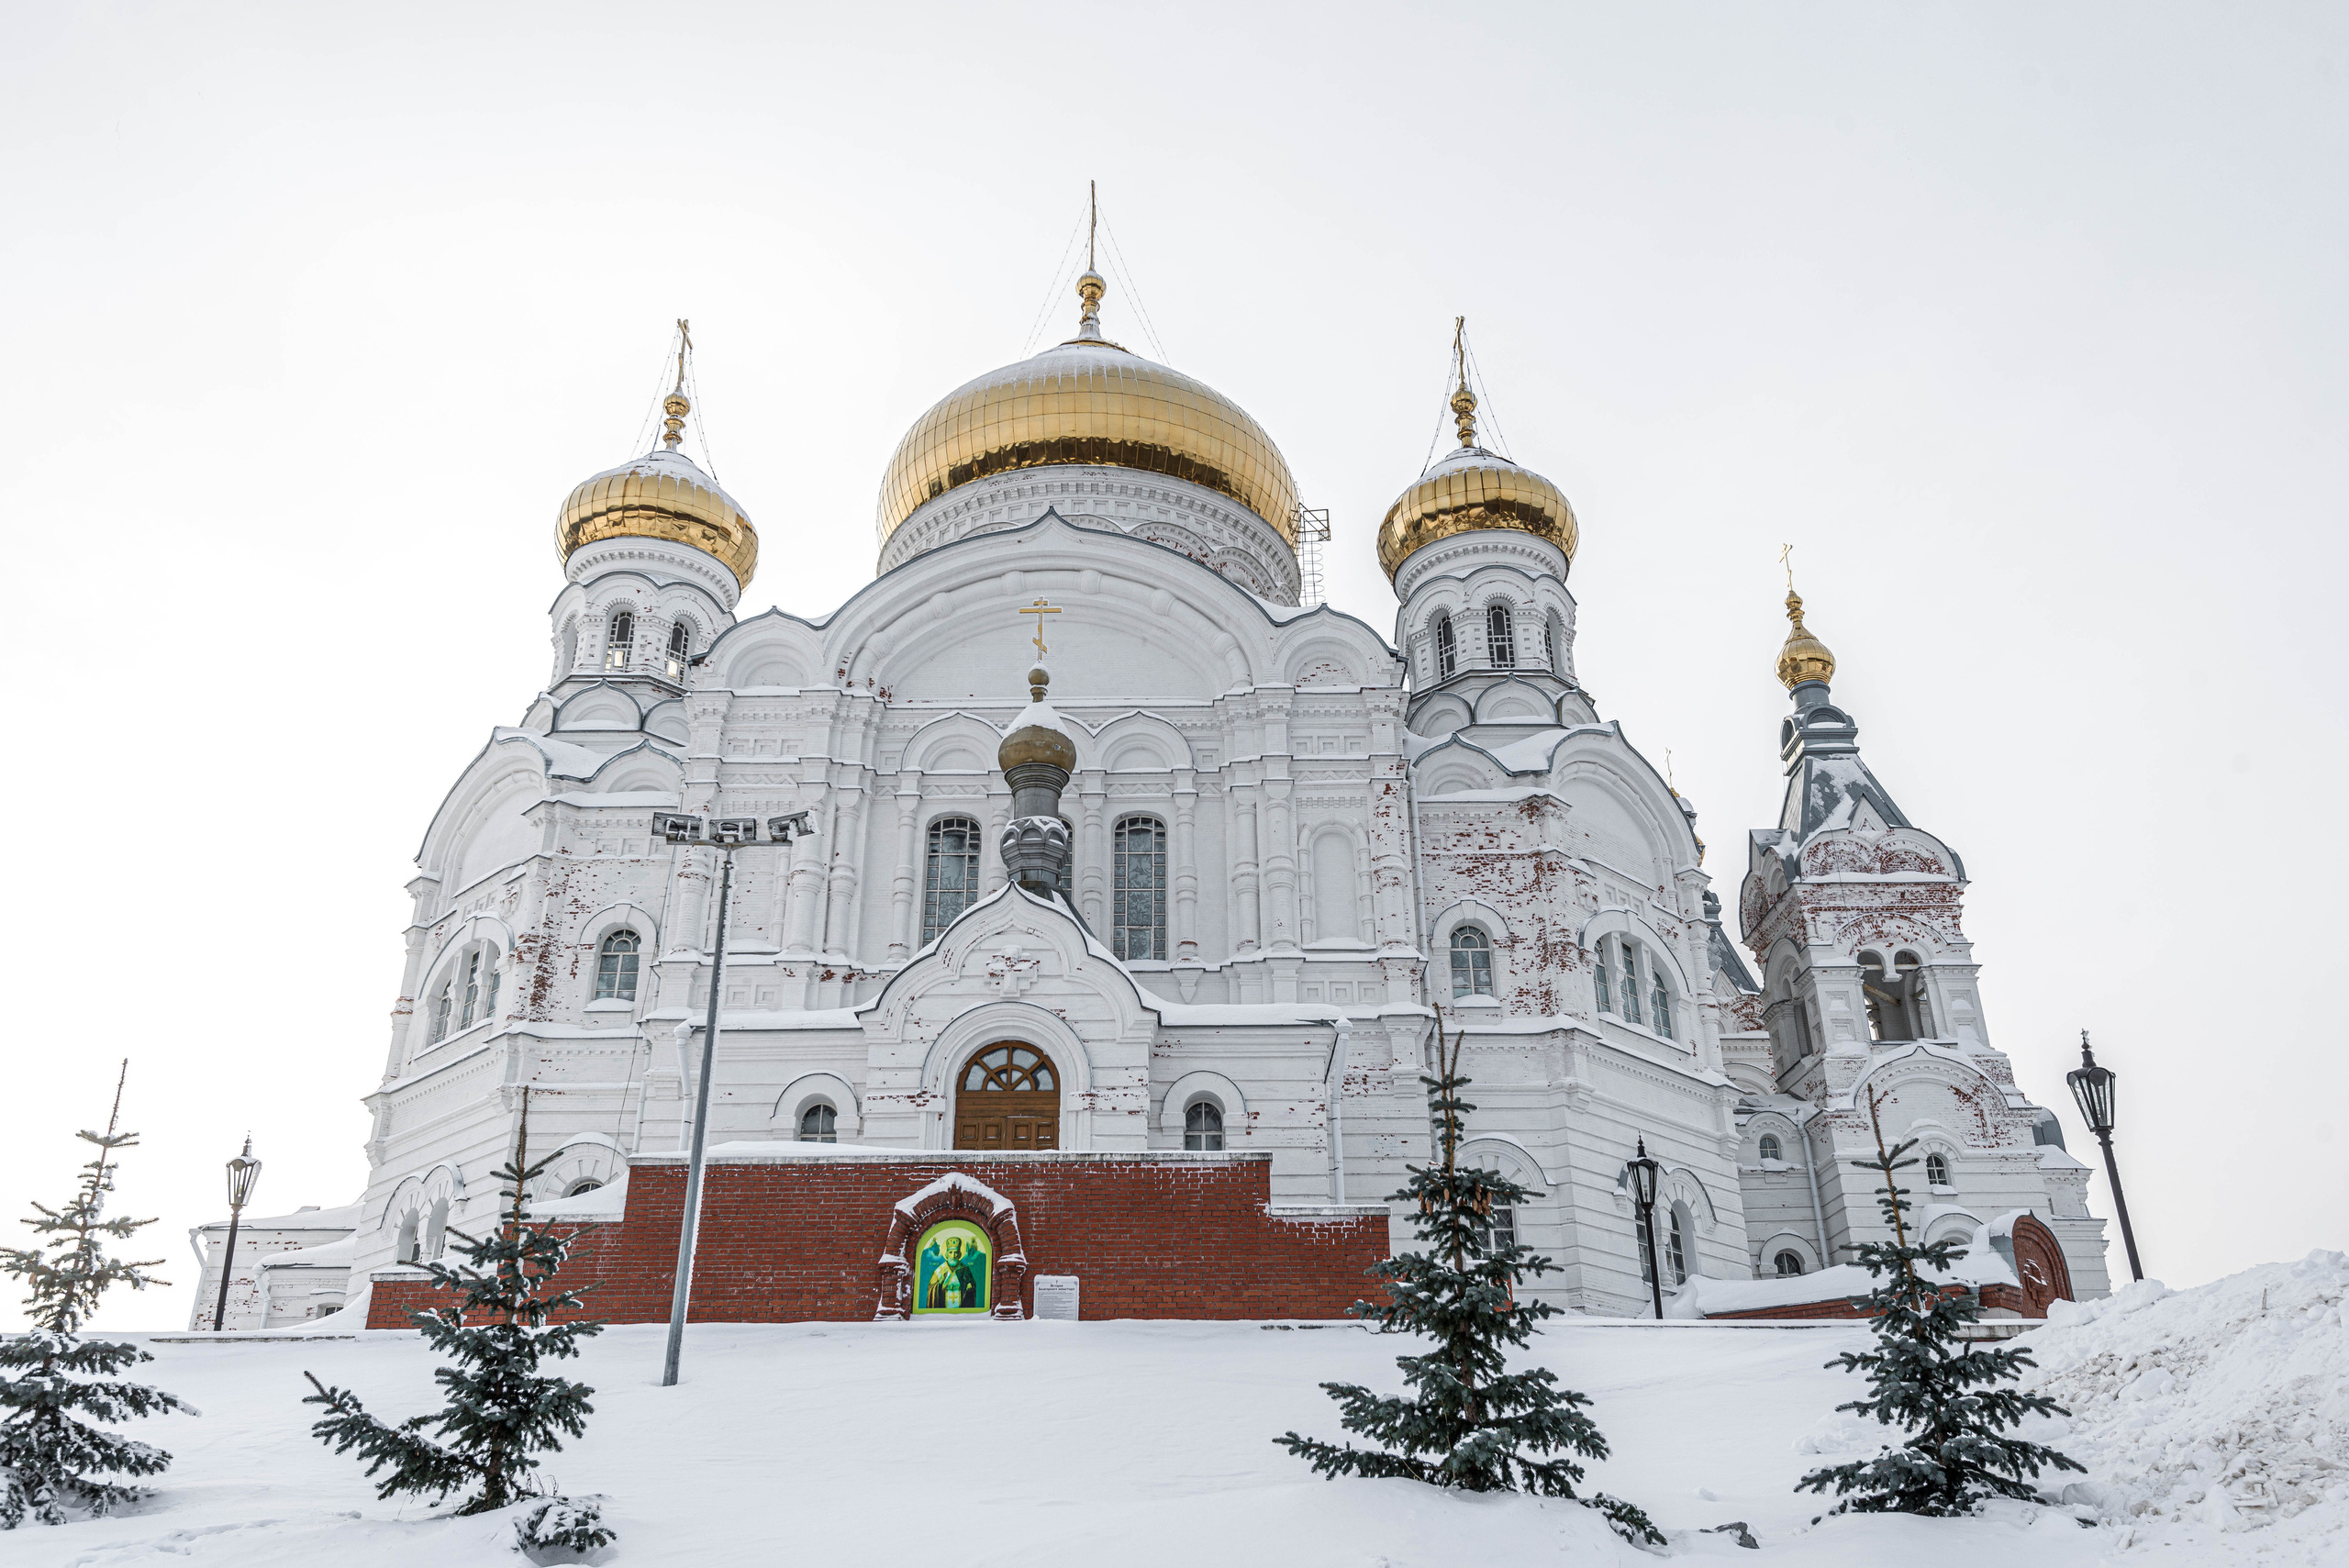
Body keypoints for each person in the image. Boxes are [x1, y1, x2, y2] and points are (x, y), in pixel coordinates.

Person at [924, 1233, 985, 1310]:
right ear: (946, 1254)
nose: (953, 1256)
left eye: (956, 1252)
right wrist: (939, 1283)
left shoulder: (965, 1269)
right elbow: (930, 1289)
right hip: (942, 1309)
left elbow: (972, 1286)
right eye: (950, 1252)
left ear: (960, 1254)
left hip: (962, 1309)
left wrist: (970, 1288)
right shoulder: (939, 1270)